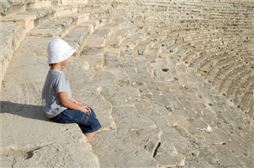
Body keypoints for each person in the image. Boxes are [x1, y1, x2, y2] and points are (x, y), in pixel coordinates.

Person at [41, 38, 102, 144]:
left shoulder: (52, 72)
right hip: (59, 113)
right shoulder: (58, 76)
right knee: (92, 121)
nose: (69, 58)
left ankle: (83, 127)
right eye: (67, 56)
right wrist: (80, 108)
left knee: (89, 110)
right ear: (61, 58)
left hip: (52, 109)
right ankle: (85, 144)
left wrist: (75, 102)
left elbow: (62, 96)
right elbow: (64, 101)